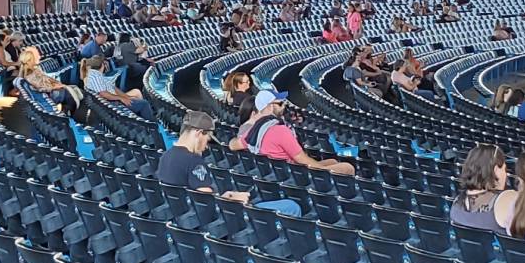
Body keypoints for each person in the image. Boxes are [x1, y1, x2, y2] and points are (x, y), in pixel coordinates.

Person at [157, 111, 302, 213]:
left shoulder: (166, 156)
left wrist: (228, 194)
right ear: (198, 133)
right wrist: (234, 198)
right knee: (291, 207)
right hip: (219, 218)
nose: (206, 145)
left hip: (183, 215)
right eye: (207, 138)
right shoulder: (193, 161)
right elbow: (206, 202)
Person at [234, 88, 356, 174]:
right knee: (347, 167)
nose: (284, 106)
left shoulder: (255, 129)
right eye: (280, 103)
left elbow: (233, 145)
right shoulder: (280, 130)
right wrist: (322, 170)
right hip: (296, 172)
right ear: (270, 107)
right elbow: (303, 160)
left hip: (279, 172)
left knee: (333, 161)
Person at [453, 143, 507, 230]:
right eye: (504, 169)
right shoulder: (505, 202)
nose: (506, 174)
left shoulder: (455, 203)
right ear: (496, 170)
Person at [84, 54, 154, 118]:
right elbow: (103, 94)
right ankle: (153, 125)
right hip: (114, 104)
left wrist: (126, 97)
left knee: (136, 96)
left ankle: (145, 118)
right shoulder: (95, 77)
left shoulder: (96, 75)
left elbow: (114, 88)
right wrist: (121, 98)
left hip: (113, 101)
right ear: (102, 65)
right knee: (144, 104)